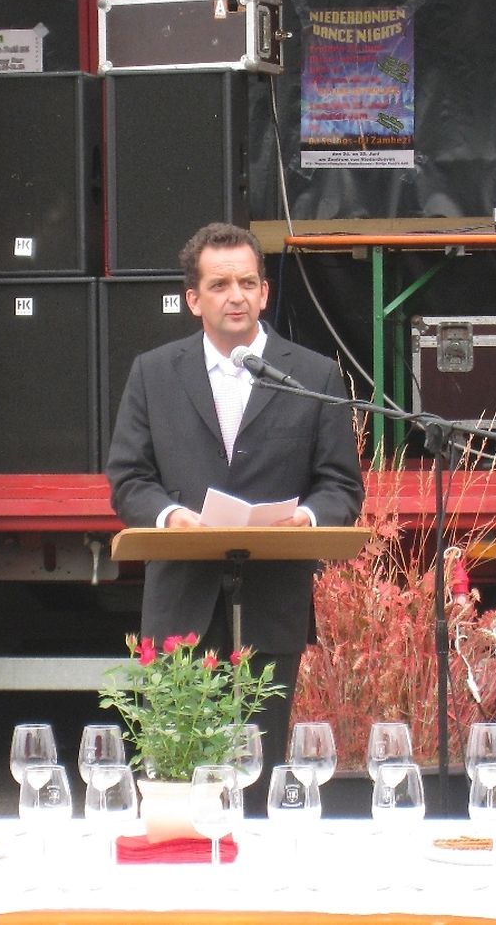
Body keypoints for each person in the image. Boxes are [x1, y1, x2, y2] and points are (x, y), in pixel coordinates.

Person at [105, 222, 364, 808]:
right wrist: (172, 517)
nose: (236, 296)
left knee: (259, 770)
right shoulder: (154, 371)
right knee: (177, 773)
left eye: (248, 283)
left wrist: (308, 519)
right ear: (194, 299)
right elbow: (129, 477)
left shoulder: (314, 375)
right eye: (220, 285)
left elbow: (340, 485)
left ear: (265, 293)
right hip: (181, 600)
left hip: (272, 599)